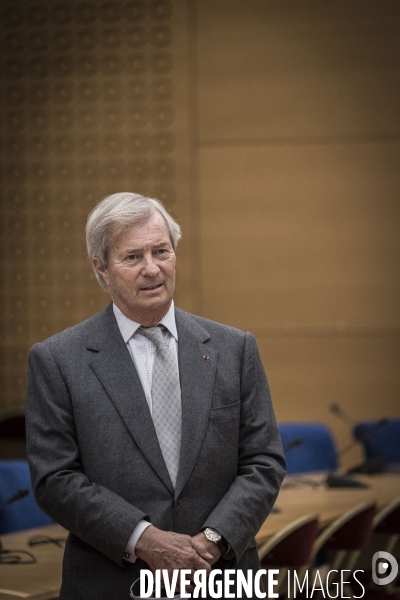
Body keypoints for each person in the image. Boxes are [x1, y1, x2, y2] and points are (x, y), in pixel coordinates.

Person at [26, 192, 286, 599]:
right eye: (132, 257)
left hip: (222, 578)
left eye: (161, 251)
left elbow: (264, 459)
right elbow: (55, 479)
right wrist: (145, 539)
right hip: (113, 582)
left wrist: (212, 540)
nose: (152, 269)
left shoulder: (233, 349)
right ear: (102, 269)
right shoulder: (57, 360)